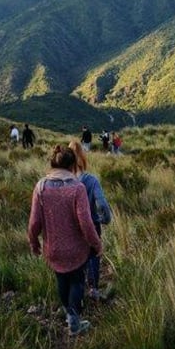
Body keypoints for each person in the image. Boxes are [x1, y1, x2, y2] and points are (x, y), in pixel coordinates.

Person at [28, 144, 103, 336]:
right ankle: (74, 322)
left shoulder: (41, 187)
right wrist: (96, 244)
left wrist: (34, 243)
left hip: (53, 249)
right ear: (72, 166)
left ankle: (69, 314)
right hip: (76, 250)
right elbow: (86, 223)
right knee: (77, 282)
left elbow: (34, 222)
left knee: (61, 280)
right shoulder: (77, 189)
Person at [71, 141, 113, 301]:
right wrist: (105, 219)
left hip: (73, 225)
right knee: (94, 255)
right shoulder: (92, 180)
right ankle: (93, 288)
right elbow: (102, 203)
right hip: (92, 224)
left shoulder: (65, 181)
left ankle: (77, 290)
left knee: (76, 257)